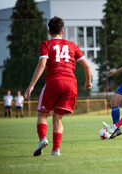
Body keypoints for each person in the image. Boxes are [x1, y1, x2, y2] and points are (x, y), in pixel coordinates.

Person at [24, 16, 92, 156]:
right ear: (62, 31)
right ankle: (56, 150)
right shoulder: (72, 45)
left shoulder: (46, 44)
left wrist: (31, 86)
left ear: (49, 32)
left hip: (54, 81)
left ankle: (43, 138)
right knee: (58, 118)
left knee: (42, 115)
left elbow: (42, 65)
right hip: (71, 84)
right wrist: (88, 82)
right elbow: (87, 66)